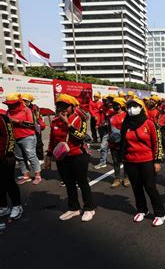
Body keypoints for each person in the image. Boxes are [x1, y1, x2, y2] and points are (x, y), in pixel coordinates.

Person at [44, 94, 95, 222]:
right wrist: (49, 156)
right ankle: (74, 208)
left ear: (72, 107)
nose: (63, 108)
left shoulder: (79, 119)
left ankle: (89, 208)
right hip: (62, 158)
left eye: (66, 106)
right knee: (69, 183)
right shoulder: (55, 121)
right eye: (60, 105)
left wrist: (67, 122)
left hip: (78, 156)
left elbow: (80, 136)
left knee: (82, 182)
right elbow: (52, 140)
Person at [118, 98, 165, 226]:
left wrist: (157, 161)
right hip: (130, 161)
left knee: (150, 187)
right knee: (136, 187)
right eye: (128, 106)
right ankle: (142, 209)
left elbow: (157, 143)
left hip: (147, 160)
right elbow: (123, 143)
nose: (130, 109)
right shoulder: (126, 123)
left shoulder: (149, 123)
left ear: (141, 107)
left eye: (134, 106)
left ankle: (160, 213)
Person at [4, 93, 42, 185]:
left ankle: (37, 176)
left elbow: (31, 124)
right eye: (8, 104)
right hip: (15, 138)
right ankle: (26, 176)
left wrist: (18, 121)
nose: (10, 105)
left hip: (27, 137)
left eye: (12, 103)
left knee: (31, 156)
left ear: (17, 103)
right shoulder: (8, 111)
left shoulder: (26, 110)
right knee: (19, 157)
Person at [0, 113, 22, 220]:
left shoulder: (2, 118)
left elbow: (10, 137)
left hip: (5, 158)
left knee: (9, 182)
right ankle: (3, 207)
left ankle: (17, 206)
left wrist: (7, 155)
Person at [109, 97, 130, 188]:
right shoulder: (112, 117)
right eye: (113, 105)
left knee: (126, 161)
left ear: (121, 105)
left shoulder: (127, 116)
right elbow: (110, 130)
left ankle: (126, 178)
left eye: (116, 105)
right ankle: (117, 178)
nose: (113, 106)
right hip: (114, 143)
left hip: (125, 143)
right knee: (115, 161)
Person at [22, 94, 46, 161]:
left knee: (38, 143)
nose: (23, 102)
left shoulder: (34, 108)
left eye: (24, 101)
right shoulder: (22, 108)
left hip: (35, 126)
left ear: (28, 101)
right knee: (29, 144)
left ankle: (40, 158)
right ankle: (31, 158)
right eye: (23, 100)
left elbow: (36, 117)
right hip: (27, 128)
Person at [94, 94, 114, 169]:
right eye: (105, 100)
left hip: (114, 132)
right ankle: (103, 162)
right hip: (105, 130)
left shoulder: (114, 110)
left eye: (107, 100)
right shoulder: (103, 108)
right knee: (103, 146)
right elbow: (100, 116)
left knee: (117, 149)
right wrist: (98, 124)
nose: (106, 101)